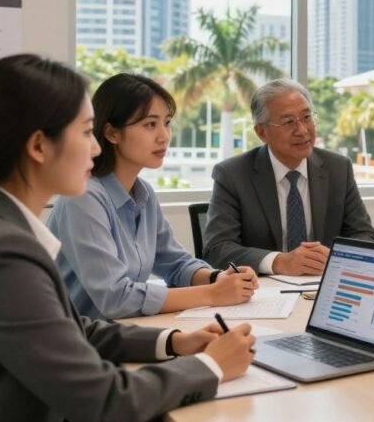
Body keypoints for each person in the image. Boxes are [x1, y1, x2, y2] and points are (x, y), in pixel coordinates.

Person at [0, 54, 255, 421]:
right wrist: (210, 366)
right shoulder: (0, 254)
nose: (94, 148)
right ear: (39, 147)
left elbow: (72, 328)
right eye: (85, 132)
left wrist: (172, 341)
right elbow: (106, 399)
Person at [47, 73, 257, 320]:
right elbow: (116, 298)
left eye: (166, 123)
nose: (164, 136)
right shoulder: (83, 197)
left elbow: (176, 263)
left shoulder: (143, 193)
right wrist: (213, 293)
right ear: (112, 133)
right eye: (150, 124)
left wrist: (218, 277)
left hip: (126, 333)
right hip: (82, 342)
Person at [203, 79, 374, 275]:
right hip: (263, 292)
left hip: (320, 287)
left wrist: (334, 257)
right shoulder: (233, 175)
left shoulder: (338, 168)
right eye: (288, 122)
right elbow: (217, 249)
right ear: (262, 132)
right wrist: (279, 262)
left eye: (306, 117)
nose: (302, 130)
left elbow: (366, 236)